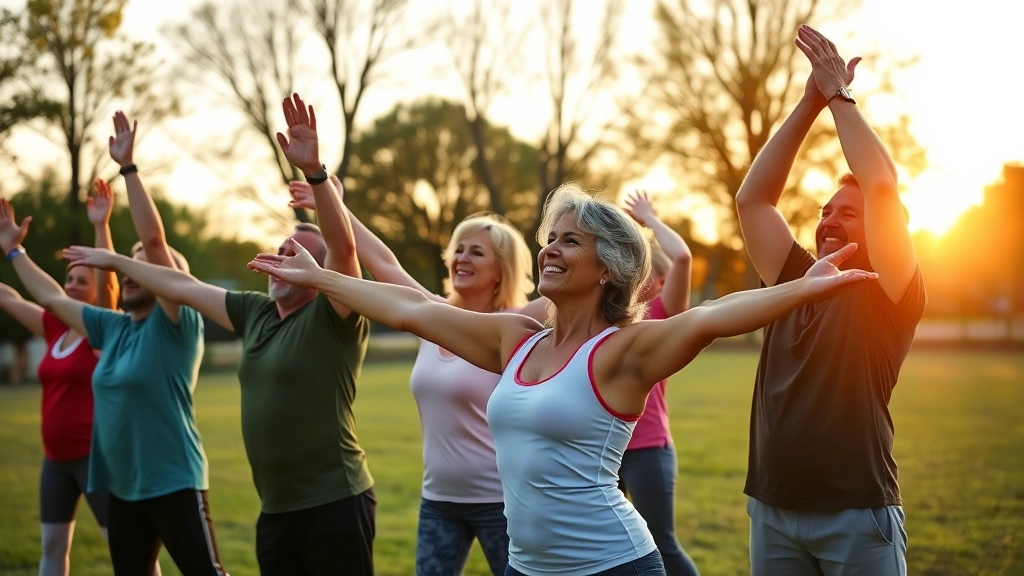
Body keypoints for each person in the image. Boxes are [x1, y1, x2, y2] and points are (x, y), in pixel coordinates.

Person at [241, 151, 877, 576]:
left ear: (609, 269)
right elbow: (408, 308)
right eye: (550, 237)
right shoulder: (514, 338)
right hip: (527, 567)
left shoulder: (623, 353)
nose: (549, 249)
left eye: (570, 240)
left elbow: (711, 316)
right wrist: (322, 277)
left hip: (613, 565)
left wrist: (802, 286)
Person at [63, 93, 374, 575]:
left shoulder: (335, 314)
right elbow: (176, 279)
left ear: (319, 272)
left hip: (335, 503)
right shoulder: (255, 313)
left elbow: (345, 250)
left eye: (298, 253)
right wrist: (127, 189)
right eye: (279, 247)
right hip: (274, 510)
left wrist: (315, 173)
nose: (282, 256)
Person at [734, 25, 926, 576]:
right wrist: (807, 103)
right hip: (771, 509)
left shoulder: (889, 290)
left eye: (847, 212)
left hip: (856, 515)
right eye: (824, 210)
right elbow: (753, 200)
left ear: (883, 232)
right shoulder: (795, 276)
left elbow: (883, 187)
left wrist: (840, 96)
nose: (828, 220)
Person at [0, 111, 226, 576]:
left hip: (175, 483)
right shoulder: (111, 327)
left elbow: (153, 238)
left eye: (145, 265)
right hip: (122, 489)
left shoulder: (176, 324)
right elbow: (46, 296)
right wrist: (12, 250)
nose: (133, 268)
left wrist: (128, 168)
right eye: (131, 265)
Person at [289, 178, 547, 576]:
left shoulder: (515, 327)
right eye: (458, 248)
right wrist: (334, 204)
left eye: (476, 252)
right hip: (440, 500)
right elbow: (384, 264)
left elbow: (566, 295)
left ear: (502, 270)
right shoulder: (434, 316)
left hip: (503, 502)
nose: (462, 257)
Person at [0, 179, 133, 576]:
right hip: (55, 460)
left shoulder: (104, 331)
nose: (72, 286)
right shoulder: (56, 328)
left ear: (98, 292)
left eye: (81, 280)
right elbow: (10, 298)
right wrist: (8, 245)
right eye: (69, 279)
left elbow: (107, 278)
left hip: (99, 460)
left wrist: (100, 225)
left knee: (127, 552)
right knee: (53, 548)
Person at [620, 190, 700, 576]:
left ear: (662, 280)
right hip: (603, 448)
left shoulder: (665, 314)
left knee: (661, 545)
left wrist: (649, 220)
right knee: (610, 549)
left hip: (647, 450)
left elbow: (683, 256)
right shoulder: (614, 316)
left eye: (643, 268)